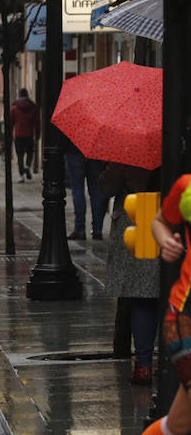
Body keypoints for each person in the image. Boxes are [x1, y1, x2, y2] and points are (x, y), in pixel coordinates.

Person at [99, 163, 159, 386]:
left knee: (143, 294)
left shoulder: (131, 149)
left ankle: (144, 365)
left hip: (142, 212)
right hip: (176, 212)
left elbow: (107, 187)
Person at [144, 174, 191, 434]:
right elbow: (160, 221)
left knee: (179, 424)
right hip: (185, 319)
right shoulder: (187, 187)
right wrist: (166, 241)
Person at [65, 138, 108, 240]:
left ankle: (80, 229)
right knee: (96, 189)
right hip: (96, 147)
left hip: (74, 147)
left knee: (77, 189)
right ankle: (97, 230)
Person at [10, 88, 40, 182]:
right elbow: (37, 123)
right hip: (29, 134)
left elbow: (11, 122)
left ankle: (21, 175)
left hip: (18, 134)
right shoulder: (33, 107)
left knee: (20, 155)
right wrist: (38, 134)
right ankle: (27, 166)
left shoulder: (14, 108)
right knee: (30, 153)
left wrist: (10, 134)